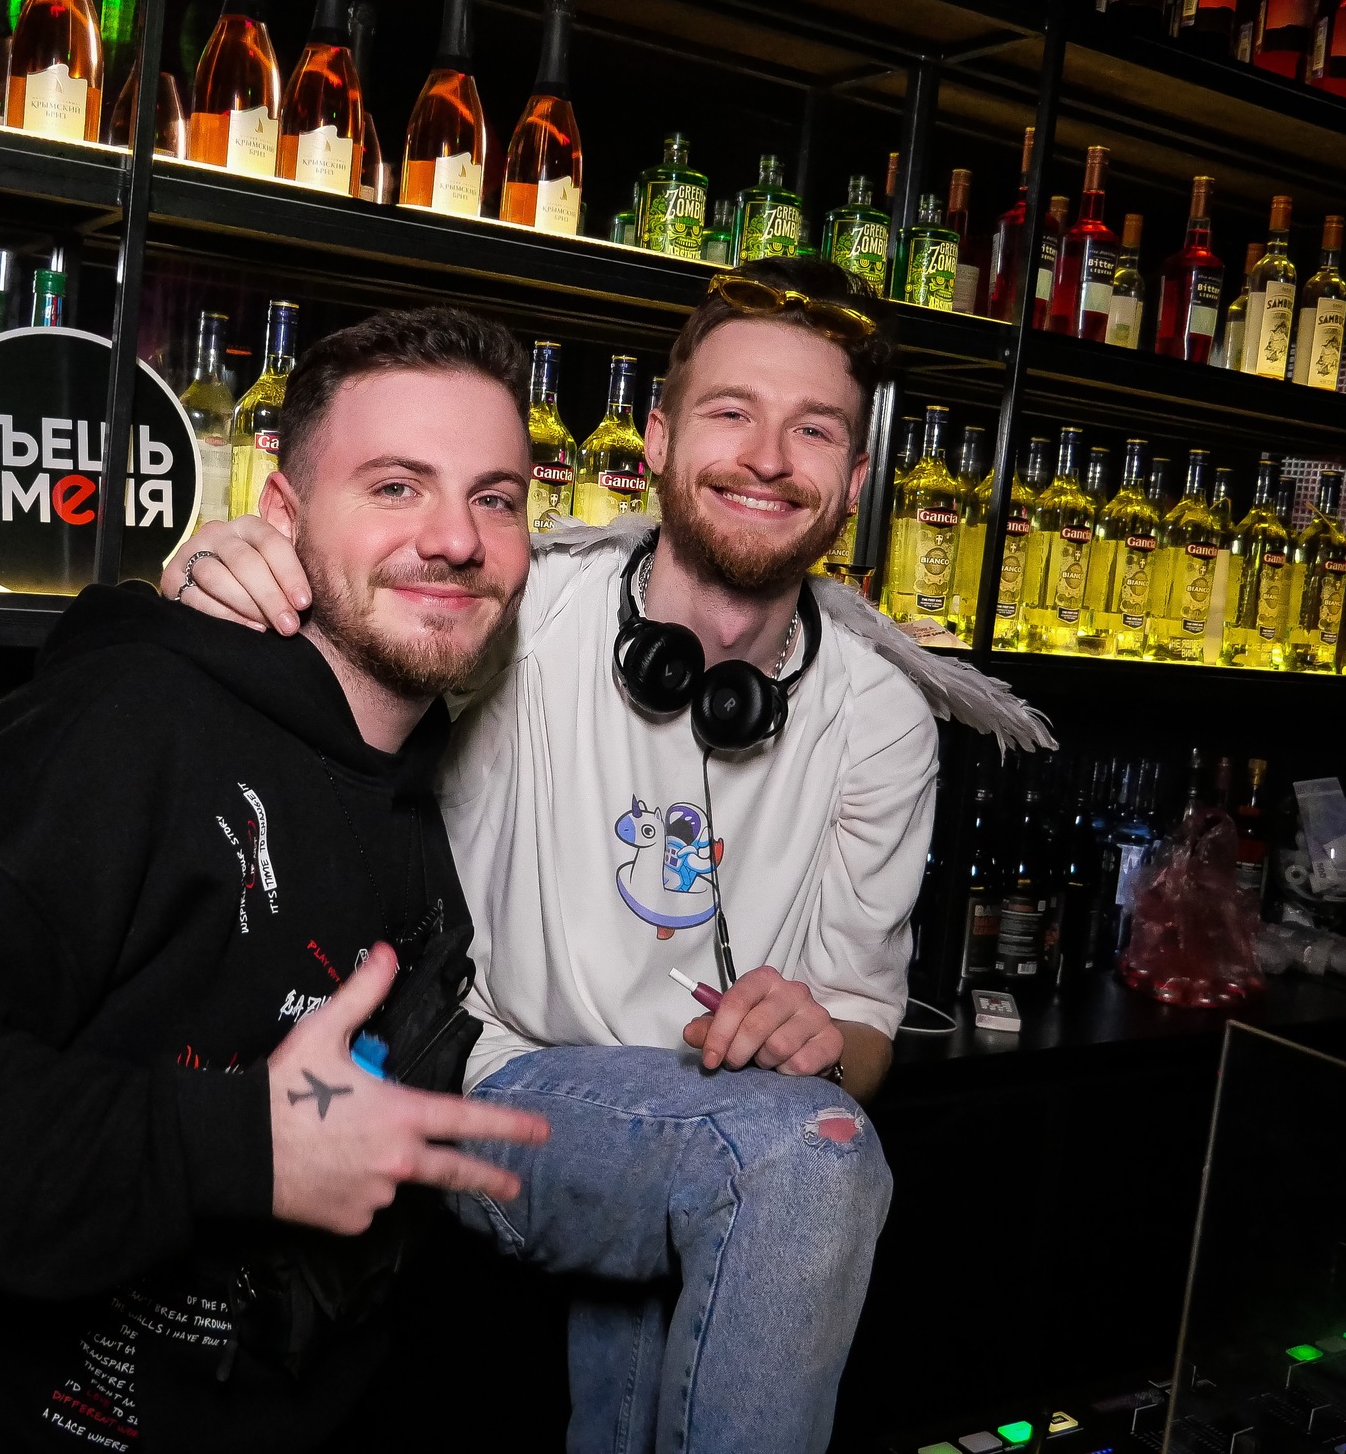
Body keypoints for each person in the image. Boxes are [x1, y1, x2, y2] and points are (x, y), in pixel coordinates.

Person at [164, 257, 1052, 1453]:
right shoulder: (525, 612)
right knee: (809, 1155)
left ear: (854, 479)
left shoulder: (883, 710)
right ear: (659, 438)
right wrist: (225, 565)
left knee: (792, 1137)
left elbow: (864, 1037)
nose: (767, 458)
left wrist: (817, 1038)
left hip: (722, 1120)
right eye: (731, 413)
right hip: (492, 1080)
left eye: (814, 429)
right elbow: (361, 598)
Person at [0, 307, 553, 1453]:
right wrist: (240, 1147)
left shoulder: (413, 806)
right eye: (395, 486)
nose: (456, 539)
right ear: (281, 514)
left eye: (497, 498)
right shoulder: (125, 728)